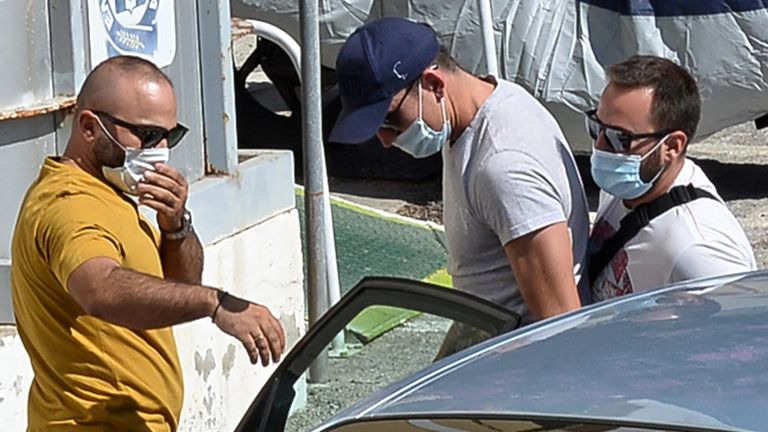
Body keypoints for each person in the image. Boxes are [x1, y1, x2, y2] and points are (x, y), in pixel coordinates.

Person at [10, 55, 285, 431]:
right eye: (149, 136)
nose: (161, 149)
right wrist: (214, 303)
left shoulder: (111, 195)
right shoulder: (68, 205)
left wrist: (176, 226)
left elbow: (181, 286)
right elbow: (100, 288)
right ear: (90, 128)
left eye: (171, 135)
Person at [329, 17, 591, 355]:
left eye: (388, 120)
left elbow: (561, 326)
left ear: (434, 84)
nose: (384, 140)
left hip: (513, 371)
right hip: (486, 347)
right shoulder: (486, 105)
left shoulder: (504, 166)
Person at [586, 55, 757, 301]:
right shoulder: (627, 188)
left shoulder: (700, 249)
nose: (600, 146)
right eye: (596, 127)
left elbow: (737, 331)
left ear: (672, 146)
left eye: (619, 138)